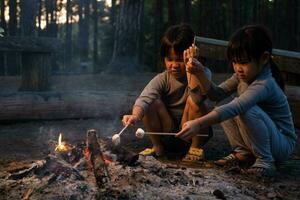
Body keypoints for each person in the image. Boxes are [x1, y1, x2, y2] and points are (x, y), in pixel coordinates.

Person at [176, 25, 297, 176]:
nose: (238, 68)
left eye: (244, 62)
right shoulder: (241, 77)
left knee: (241, 108)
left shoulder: (265, 83)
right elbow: (216, 95)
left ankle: (266, 160)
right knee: (224, 105)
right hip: (266, 139)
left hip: (281, 144)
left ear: (264, 58)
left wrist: (198, 123)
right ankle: (242, 153)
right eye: (235, 62)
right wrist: (200, 73)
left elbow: (238, 106)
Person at [122, 24, 213, 162]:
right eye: (169, 59)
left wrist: (192, 68)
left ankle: (196, 148)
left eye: (179, 59)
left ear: (192, 55)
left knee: (194, 101)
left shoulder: (202, 73)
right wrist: (135, 115)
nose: (174, 65)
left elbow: (198, 96)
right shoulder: (163, 78)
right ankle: (158, 147)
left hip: (193, 131)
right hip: (167, 131)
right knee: (152, 103)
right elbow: (144, 99)